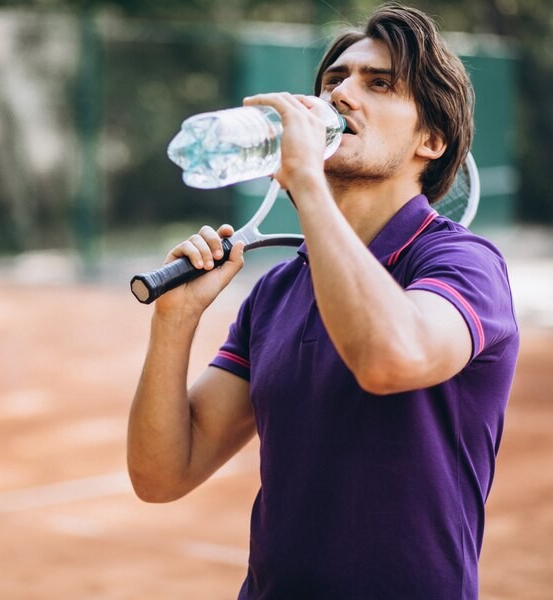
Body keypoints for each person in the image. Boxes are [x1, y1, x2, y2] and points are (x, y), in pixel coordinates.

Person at [127, 3, 519, 598]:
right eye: (335, 80)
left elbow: (392, 359)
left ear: (432, 138)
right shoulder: (276, 293)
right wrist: (173, 320)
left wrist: (307, 180)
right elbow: (161, 475)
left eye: (379, 83)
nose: (342, 95)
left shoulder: (464, 264)